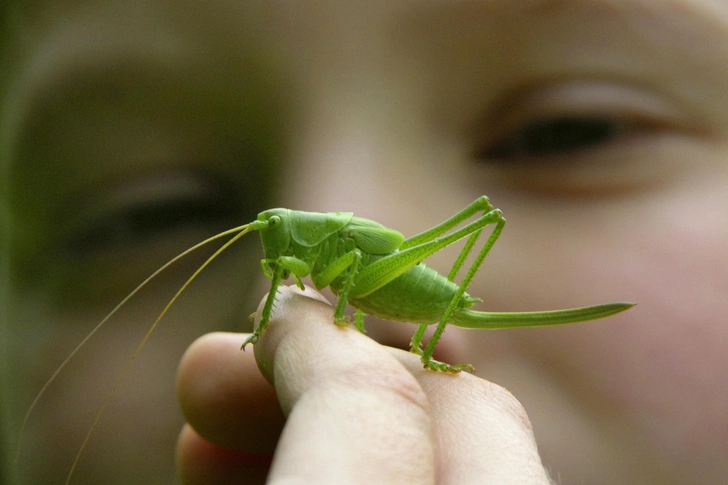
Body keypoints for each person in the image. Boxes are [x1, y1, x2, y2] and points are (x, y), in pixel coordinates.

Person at [2, 1, 727, 484]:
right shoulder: (288, 260)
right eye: (149, 212)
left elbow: (335, 275)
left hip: (400, 272)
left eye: (569, 132)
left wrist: (349, 293)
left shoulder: (329, 255)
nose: (262, 288)